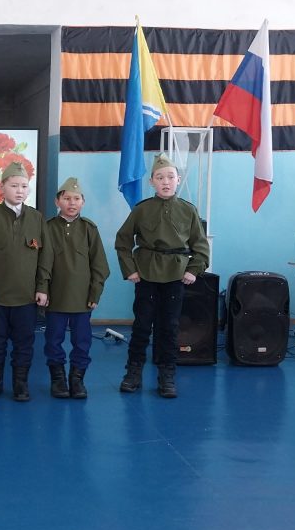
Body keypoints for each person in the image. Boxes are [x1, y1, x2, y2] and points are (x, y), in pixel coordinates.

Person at [114, 154, 210, 399]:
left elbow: (201, 246)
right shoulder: (142, 209)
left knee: (170, 327)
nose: (165, 182)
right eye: (159, 177)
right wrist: (130, 269)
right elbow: (123, 241)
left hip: (175, 275)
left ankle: (167, 375)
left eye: (170, 177)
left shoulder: (188, 210)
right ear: (151, 182)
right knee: (142, 325)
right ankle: (133, 372)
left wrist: (193, 269)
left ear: (178, 179)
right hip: (146, 274)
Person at [0, 162, 51, 401]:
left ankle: (20, 384)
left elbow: (45, 256)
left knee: (24, 343)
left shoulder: (37, 218)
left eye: (24, 186)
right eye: (14, 185)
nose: (19, 191)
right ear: (2, 187)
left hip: (26, 296)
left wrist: (42, 287)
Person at [43, 177, 110, 399]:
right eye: (67, 198)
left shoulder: (89, 229)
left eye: (77, 198)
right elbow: (41, 264)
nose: (72, 203)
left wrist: (95, 293)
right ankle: (58, 379)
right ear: (57, 202)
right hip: (55, 297)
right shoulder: (47, 228)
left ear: (83, 202)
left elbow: (100, 266)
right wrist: (43, 290)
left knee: (82, 341)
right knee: (53, 340)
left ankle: (77, 379)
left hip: (82, 298)